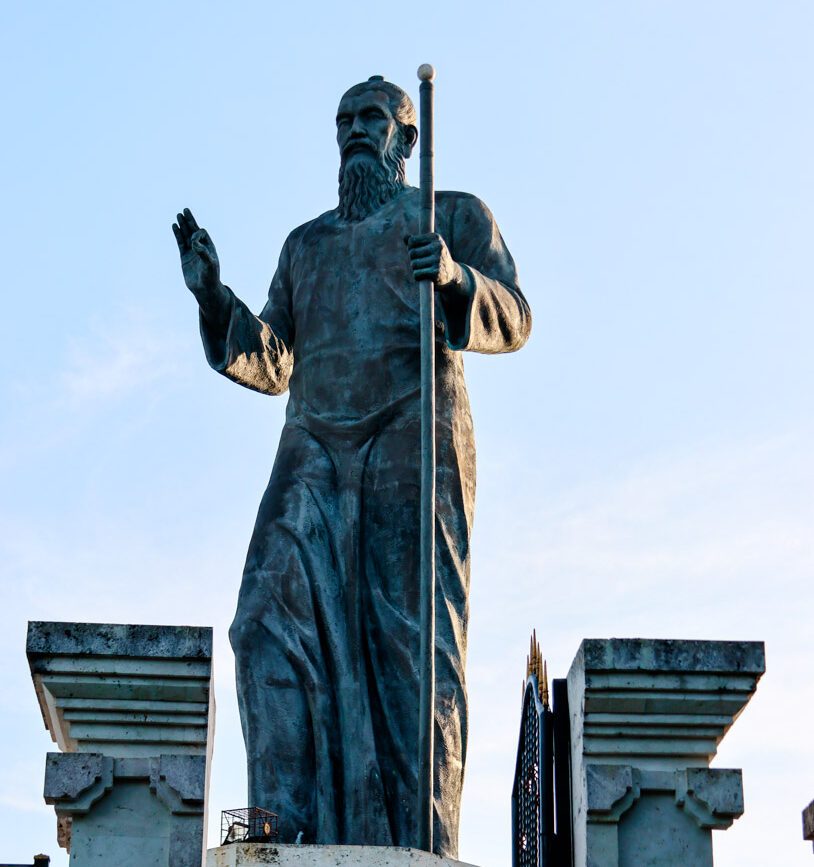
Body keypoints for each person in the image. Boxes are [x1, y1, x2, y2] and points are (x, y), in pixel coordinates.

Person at [172, 75, 531, 858]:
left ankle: (416, 844)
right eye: (344, 121)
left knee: (409, 652)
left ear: (406, 139)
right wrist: (213, 300)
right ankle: (285, 833)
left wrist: (456, 278)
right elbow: (274, 359)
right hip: (315, 447)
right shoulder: (306, 246)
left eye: (373, 119)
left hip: (411, 432)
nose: (355, 132)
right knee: (264, 619)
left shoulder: (451, 215)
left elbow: (517, 315)